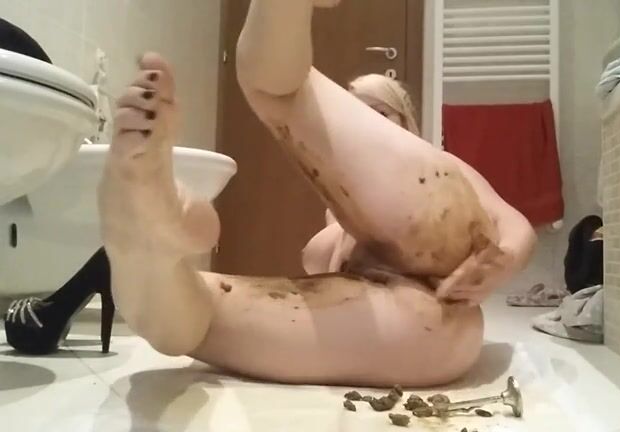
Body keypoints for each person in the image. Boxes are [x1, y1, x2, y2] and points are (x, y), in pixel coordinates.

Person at [97, 0, 536, 387]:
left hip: (446, 283)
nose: (358, 126)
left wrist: (506, 260)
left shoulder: (438, 170)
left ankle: (142, 231)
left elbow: (514, 222)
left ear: (406, 127)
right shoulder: (343, 209)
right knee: (196, 317)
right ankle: (143, 234)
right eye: (353, 110)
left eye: (379, 115)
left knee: (276, 92)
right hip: (418, 332)